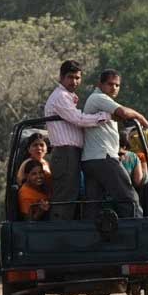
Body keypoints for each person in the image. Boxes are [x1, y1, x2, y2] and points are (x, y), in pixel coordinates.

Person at [43, 60, 114, 220]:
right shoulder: (60, 96)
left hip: (72, 154)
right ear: (61, 77)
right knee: (64, 198)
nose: (74, 82)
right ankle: (59, 236)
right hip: (65, 153)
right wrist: (104, 116)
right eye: (70, 77)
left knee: (73, 195)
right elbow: (78, 119)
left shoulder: (67, 97)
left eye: (77, 78)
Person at [81, 69, 148, 220]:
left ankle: (90, 239)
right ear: (100, 84)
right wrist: (141, 117)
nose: (114, 88)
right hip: (103, 157)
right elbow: (124, 112)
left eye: (117, 85)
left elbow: (119, 116)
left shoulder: (103, 102)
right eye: (110, 84)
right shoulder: (98, 97)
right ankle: (138, 231)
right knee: (128, 197)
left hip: (91, 159)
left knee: (94, 203)